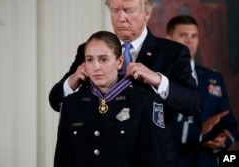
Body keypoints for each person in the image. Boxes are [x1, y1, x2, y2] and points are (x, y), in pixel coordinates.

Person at [50, 0, 200, 166]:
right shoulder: (91, 50)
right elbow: (56, 101)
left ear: (147, 13)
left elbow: (192, 103)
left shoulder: (172, 52)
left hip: (153, 157)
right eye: (115, 10)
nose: (121, 18)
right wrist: (72, 81)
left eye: (129, 10)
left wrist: (158, 80)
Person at [54, 30, 167, 167]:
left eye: (103, 59)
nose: (96, 67)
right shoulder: (71, 103)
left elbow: (154, 161)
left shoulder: (145, 101)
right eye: (90, 60)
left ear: (119, 62)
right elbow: (63, 160)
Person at [166, 15, 239, 167]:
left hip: (207, 161)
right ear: (169, 38)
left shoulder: (214, 78)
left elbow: (228, 120)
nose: (189, 41)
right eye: (183, 35)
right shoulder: (159, 78)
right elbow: (158, 126)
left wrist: (224, 138)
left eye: (194, 36)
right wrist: (199, 130)